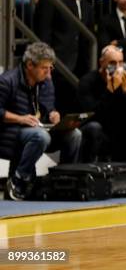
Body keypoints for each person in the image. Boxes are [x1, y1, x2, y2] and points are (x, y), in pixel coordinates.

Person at [0, 43, 81, 200]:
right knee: (41, 136)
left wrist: (53, 114)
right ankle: (18, 180)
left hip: (39, 130)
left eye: (51, 68)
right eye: (45, 68)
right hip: (9, 132)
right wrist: (19, 118)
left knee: (74, 134)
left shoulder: (46, 82)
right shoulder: (7, 81)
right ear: (30, 65)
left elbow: (48, 107)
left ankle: (64, 181)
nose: (49, 73)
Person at [78, 45, 126, 168]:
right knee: (94, 127)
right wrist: (109, 90)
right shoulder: (87, 81)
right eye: (112, 63)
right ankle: (89, 172)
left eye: (121, 62)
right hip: (100, 131)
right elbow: (92, 115)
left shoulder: (125, 80)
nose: (118, 67)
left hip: (121, 131)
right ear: (101, 62)